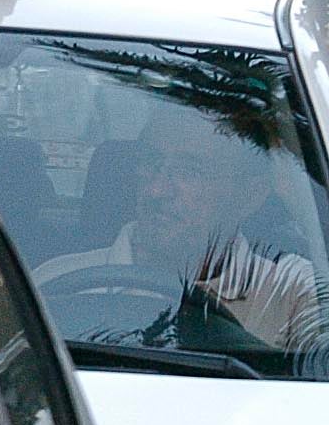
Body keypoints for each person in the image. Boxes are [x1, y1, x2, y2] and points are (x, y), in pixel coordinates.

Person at [36, 111, 324, 351]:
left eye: (190, 172)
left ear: (250, 195)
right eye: (150, 164)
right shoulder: (54, 284)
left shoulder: (295, 294)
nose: (156, 189)